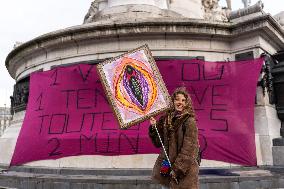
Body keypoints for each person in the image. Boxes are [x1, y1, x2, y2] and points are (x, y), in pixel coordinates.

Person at [148, 87, 199, 189]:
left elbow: (188, 150)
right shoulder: (166, 119)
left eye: (183, 100)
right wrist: (154, 127)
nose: (180, 102)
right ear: (172, 101)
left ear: (187, 103)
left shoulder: (189, 121)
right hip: (167, 168)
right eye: (177, 99)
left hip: (183, 171)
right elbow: (158, 142)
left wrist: (177, 170)